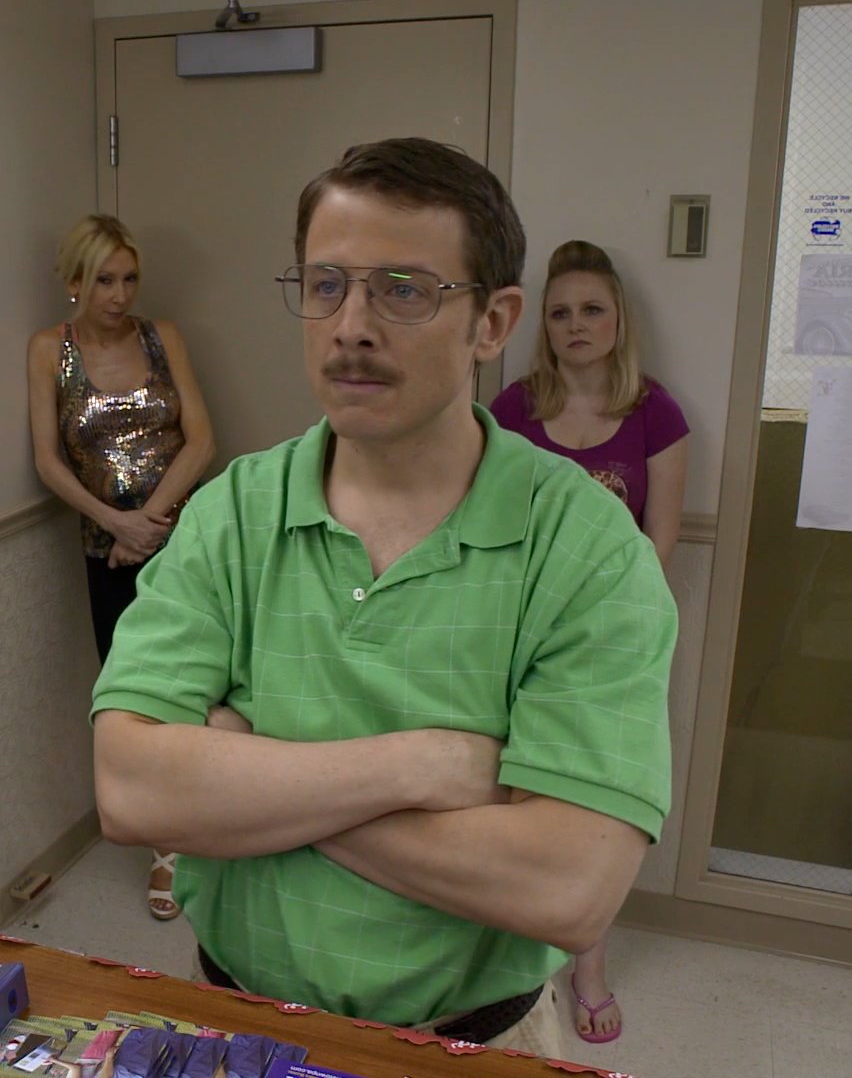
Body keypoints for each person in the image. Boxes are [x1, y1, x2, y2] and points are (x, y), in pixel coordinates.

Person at [90, 139, 676, 1059]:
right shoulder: (235, 514)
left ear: (493, 323)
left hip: (476, 1042)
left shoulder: (586, 549)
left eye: (404, 289)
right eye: (326, 285)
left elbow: (570, 885)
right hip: (234, 1022)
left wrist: (255, 780)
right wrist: (420, 767)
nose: (351, 325)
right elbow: (129, 787)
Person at [489, 239, 690, 1044]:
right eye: (561, 311)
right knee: (511, 796)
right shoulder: (510, 412)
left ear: (617, 320)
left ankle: (589, 968)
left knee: (590, 810)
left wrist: (589, 629)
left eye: (592, 310)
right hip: (508, 637)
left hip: (606, 646)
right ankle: (506, 952)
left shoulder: (656, 414)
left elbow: (659, 546)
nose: (576, 325)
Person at [27, 214, 214, 920]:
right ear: (74, 281)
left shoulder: (163, 338)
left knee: (196, 689)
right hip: (105, 550)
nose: (119, 293)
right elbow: (48, 459)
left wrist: (153, 522)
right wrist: (117, 525)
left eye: (129, 278)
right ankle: (165, 838)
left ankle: (187, 843)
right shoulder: (51, 349)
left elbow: (200, 439)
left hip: (184, 542)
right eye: (104, 279)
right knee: (135, 697)